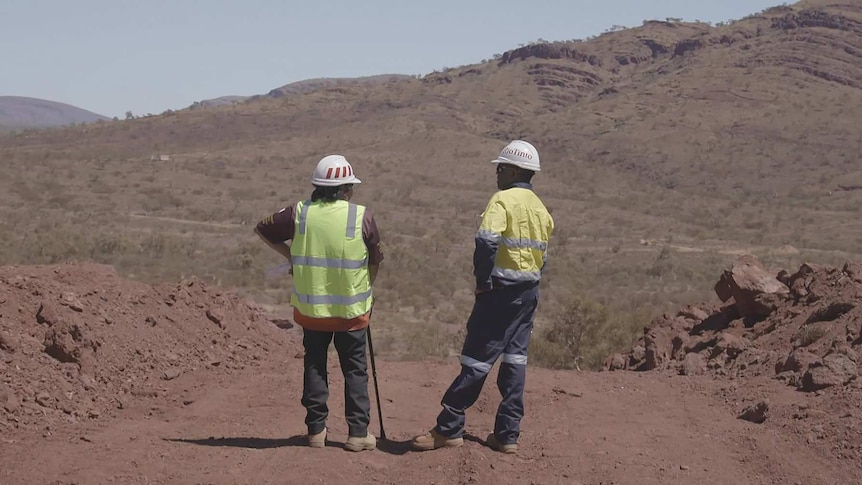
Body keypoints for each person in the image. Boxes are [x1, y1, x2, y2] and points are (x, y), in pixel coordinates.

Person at [411, 140, 554, 454]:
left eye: (500, 167)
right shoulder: (541, 209)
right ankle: (507, 435)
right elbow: (543, 259)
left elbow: (486, 241)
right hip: (528, 295)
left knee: (476, 361)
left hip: (499, 293)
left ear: (514, 169)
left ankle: (448, 428)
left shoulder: (502, 201)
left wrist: (483, 281)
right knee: (515, 362)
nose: (497, 173)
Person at [254, 154, 383, 452]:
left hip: (312, 313)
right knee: (355, 370)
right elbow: (375, 262)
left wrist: (291, 257)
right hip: (352, 313)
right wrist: (366, 289)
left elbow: (262, 228)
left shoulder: (298, 213)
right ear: (345, 189)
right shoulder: (361, 216)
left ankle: (315, 431)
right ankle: (358, 433)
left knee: (315, 365)